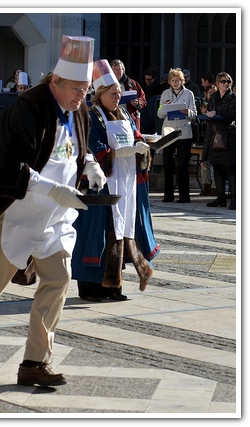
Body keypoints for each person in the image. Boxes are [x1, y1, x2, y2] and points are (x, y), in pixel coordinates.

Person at [0, 35, 107, 387]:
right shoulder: (28, 107)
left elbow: (75, 150)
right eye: (76, 89)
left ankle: (35, 362)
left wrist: (89, 163)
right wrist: (51, 188)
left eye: (85, 90)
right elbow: (5, 164)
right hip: (16, 213)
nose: (81, 97)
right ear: (56, 82)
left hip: (54, 219)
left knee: (59, 280)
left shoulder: (80, 111)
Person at [72, 59, 159, 302]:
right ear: (100, 94)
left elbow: (136, 136)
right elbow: (93, 149)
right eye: (113, 92)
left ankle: (112, 284)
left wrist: (144, 148)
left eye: (119, 91)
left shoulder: (124, 114)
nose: (117, 95)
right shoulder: (91, 116)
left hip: (126, 184)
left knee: (120, 231)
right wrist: (124, 152)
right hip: (99, 186)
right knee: (96, 234)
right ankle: (89, 287)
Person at [157, 68, 197, 203]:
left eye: (178, 80)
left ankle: (184, 196)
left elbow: (194, 114)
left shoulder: (189, 94)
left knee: (183, 165)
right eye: (173, 81)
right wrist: (164, 107)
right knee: (168, 164)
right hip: (168, 131)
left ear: (182, 81)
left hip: (183, 132)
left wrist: (187, 112)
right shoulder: (165, 94)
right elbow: (159, 114)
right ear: (169, 82)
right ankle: (168, 195)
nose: (175, 83)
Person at [202, 72, 236, 210]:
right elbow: (210, 114)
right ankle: (220, 197)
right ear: (217, 83)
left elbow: (233, 115)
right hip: (215, 136)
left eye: (228, 81)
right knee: (216, 168)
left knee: (230, 170)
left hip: (229, 137)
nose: (226, 84)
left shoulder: (234, 98)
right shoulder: (214, 97)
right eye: (223, 81)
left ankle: (235, 199)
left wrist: (217, 113)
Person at [110, 59, 147, 130]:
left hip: (129, 119)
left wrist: (137, 103)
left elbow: (143, 99)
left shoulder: (132, 83)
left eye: (119, 69)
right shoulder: (106, 84)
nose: (117, 72)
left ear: (123, 70)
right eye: (115, 69)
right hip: (112, 118)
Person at [199, 84, 218, 196]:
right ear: (206, 93)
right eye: (210, 92)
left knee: (215, 162)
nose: (212, 95)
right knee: (204, 161)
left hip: (216, 136)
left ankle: (215, 187)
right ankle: (206, 185)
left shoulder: (218, 103)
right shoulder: (204, 103)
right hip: (205, 137)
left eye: (214, 92)